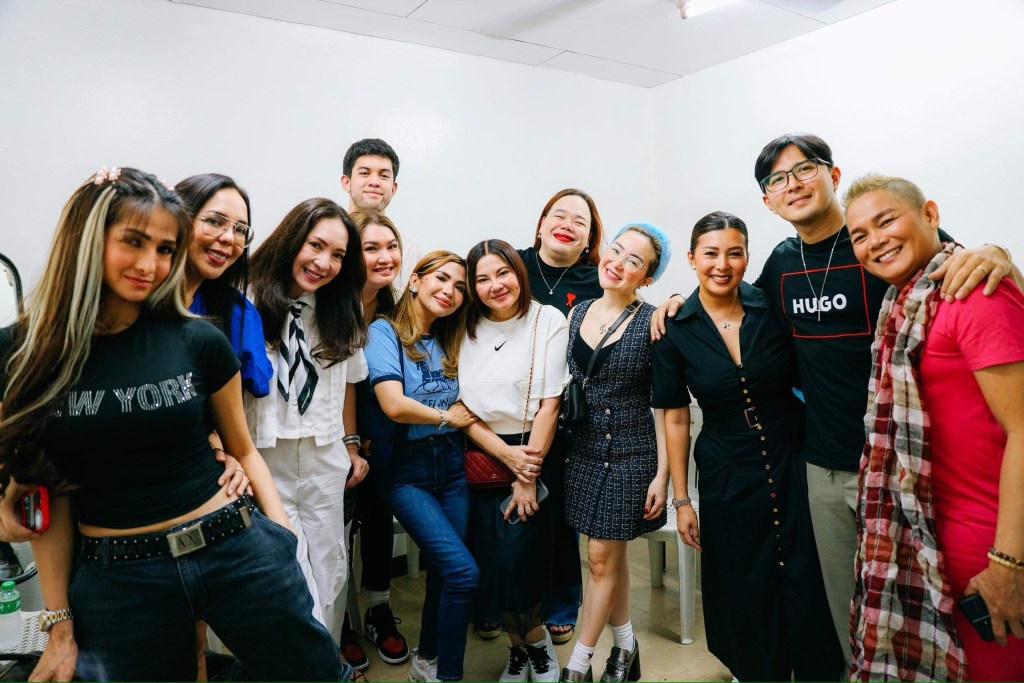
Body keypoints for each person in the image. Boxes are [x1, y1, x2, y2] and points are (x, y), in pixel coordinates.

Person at [651, 133, 1020, 666]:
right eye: (777, 180)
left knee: (922, 614)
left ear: (833, 175)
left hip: (902, 464)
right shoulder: (781, 264)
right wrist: (678, 302)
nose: (793, 184)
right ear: (768, 200)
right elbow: (729, 299)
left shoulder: (877, 243)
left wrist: (997, 253)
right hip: (822, 465)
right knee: (850, 616)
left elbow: (953, 262)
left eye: (805, 169)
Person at [0, 167, 347, 681]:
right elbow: (45, 490)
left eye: (165, 249)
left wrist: (282, 541)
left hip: (232, 545)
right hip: (120, 575)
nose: (150, 264)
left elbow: (243, 448)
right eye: (134, 242)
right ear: (87, 239)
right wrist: (59, 622)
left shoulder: (199, 339)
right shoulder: (21, 354)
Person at [845, 174, 1024, 681]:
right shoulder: (901, 306)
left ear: (930, 214)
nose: (876, 241)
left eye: (886, 220)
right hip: (927, 541)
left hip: (991, 548)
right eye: (860, 235)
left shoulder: (974, 291)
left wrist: (1009, 563)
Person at [651, 212, 841, 681]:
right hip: (726, 466)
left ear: (747, 257)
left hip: (791, 452)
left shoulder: (772, 305)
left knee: (806, 571)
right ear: (692, 258)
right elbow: (675, 416)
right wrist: (682, 500)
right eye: (710, 253)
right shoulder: (674, 327)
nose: (722, 264)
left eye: (734, 253)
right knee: (744, 577)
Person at [245, 198, 369, 651]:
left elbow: (349, 382)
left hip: (324, 461)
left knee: (330, 571)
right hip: (265, 462)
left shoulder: (343, 308)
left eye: (337, 255)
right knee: (290, 581)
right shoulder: (246, 301)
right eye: (316, 246)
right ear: (290, 240)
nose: (324, 263)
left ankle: (329, 662)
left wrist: (351, 446)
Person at [560, 223, 670, 683]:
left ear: (647, 277)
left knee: (600, 558)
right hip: (583, 451)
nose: (618, 263)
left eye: (634, 261)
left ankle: (577, 666)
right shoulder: (577, 312)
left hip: (631, 454)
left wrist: (664, 474)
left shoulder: (654, 321)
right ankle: (626, 647)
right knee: (610, 556)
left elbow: (666, 405)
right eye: (617, 250)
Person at [364, 251, 479, 682]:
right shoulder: (383, 332)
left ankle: (428, 660)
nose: (450, 291)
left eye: (460, 287)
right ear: (415, 280)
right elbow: (394, 405)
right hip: (405, 471)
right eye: (441, 279)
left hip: (451, 464)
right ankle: (450, 675)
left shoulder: (454, 336)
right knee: (463, 572)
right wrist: (447, 416)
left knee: (445, 574)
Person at [459, 240, 569, 682]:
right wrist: (502, 453)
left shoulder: (547, 320)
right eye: (482, 279)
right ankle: (518, 648)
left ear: (518, 272)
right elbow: (459, 408)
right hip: (481, 456)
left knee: (524, 557)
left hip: (534, 449)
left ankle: (538, 644)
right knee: (494, 560)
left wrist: (526, 475)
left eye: (502, 273)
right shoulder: (462, 326)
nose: (495, 285)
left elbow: (550, 405)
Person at [513, 188, 605, 645]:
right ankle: (505, 604)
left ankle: (562, 603)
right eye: (559, 215)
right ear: (541, 222)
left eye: (580, 222)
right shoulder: (513, 265)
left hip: (570, 415)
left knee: (560, 515)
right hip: (510, 411)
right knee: (503, 515)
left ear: (589, 239)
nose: (567, 225)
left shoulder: (598, 280)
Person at [341, 209, 411, 672]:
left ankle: (378, 609)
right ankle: (339, 621)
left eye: (392, 246)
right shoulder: (332, 305)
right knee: (339, 530)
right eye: (372, 248)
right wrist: (349, 443)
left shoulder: (398, 310)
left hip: (384, 435)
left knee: (380, 518)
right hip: (336, 436)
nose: (385, 257)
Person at [176, 173, 273, 399]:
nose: (229, 238)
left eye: (240, 229)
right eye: (214, 221)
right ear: (178, 219)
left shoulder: (237, 313)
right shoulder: (131, 301)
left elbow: (256, 386)